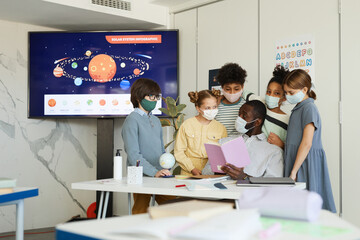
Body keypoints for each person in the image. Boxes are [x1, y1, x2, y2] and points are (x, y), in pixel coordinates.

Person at [283, 69, 336, 213]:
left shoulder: (309, 108)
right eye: (286, 92)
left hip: (305, 162)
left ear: (304, 89)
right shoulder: (298, 108)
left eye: (291, 93)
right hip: (297, 160)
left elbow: (307, 143)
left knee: (307, 205)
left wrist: (294, 171)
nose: (288, 96)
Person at [121, 78, 174, 214]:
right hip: (139, 176)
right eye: (151, 96)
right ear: (139, 97)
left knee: (172, 206)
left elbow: (161, 149)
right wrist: (153, 172)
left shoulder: (156, 120)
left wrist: (164, 169)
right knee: (140, 212)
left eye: (156, 96)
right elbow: (134, 155)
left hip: (159, 174)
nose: (154, 100)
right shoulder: (131, 120)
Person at [203, 100, 284, 179]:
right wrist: (221, 170)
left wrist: (245, 177)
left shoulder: (274, 151)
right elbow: (205, 171)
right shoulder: (223, 142)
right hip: (221, 191)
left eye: (244, 116)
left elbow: (274, 183)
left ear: (257, 122)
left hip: (251, 192)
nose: (239, 118)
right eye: (239, 114)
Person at [174, 89, 227, 176]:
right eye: (207, 108)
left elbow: (222, 154)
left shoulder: (221, 128)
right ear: (198, 108)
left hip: (211, 172)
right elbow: (179, 152)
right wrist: (192, 169)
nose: (212, 110)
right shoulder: (187, 125)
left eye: (214, 107)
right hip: (188, 172)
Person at [215, 63, 258, 136]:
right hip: (219, 145)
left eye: (236, 89)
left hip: (240, 145)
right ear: (222, 87)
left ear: (242, 86)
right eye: (228, 89)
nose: (232, 93)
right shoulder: (215, 106)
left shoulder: (246, 106)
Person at [262, 65, 290, 149]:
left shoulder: (288, 120)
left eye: (276, 93)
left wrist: (281, 145)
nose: (270, 95)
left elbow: (293, 149)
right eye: (268, 91)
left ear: (284, 97)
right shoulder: (260, 107)